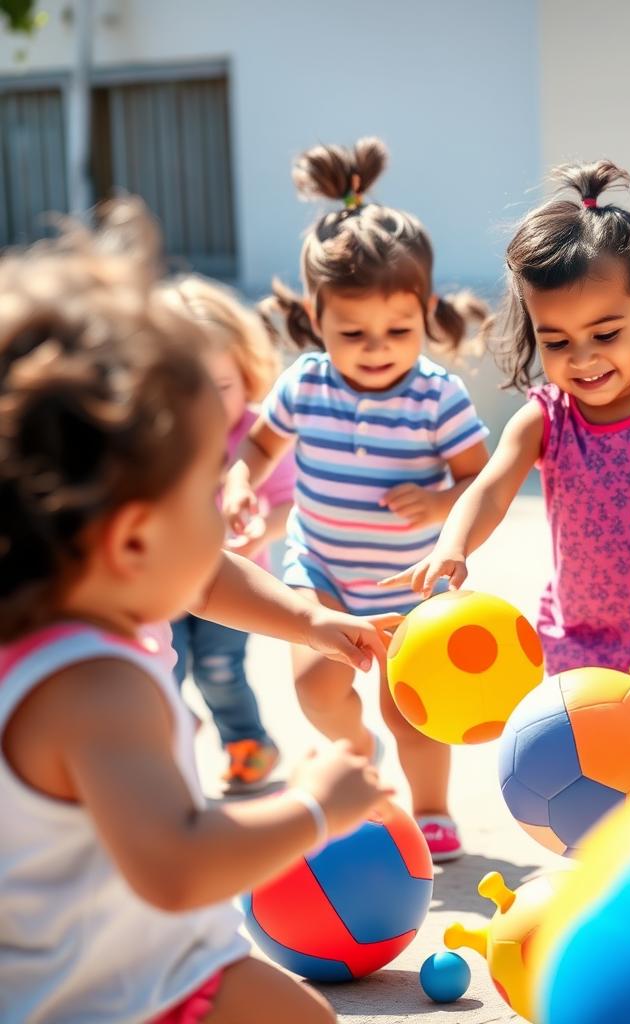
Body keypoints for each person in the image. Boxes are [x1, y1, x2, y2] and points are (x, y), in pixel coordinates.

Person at [0, 201, 395, 1024]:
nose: (222, 517)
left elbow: (206, 578)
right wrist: (314, 806)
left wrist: (308, 621)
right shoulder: (97, 691)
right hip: (135, 992)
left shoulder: (62, 609)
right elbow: (177, 866)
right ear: (133, 539)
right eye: (204, 494)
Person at [384, 161, 630, 764]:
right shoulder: (544, 418)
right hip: (582, 650)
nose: (584, 358)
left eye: (605, 333)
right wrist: (453, 546)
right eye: (557, 341)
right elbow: (489, 490)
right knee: (597, 787)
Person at [224, 138, 490, 860]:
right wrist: (241, 481)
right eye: (353, 332)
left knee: (414, 711)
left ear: (425, 312)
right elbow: (258, 447)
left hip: (411, 584)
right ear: (317, 318)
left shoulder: (437, 397)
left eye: (399, 330)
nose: (377, 347)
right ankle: (357, 757)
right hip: (323, 571)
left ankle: (431, 809)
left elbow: (480, 479)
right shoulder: (306, 383)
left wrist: (439, 506)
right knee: (316, 686)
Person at [164, 276, 296, 792]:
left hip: (232, 581)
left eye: (220, 388)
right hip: (163, 585)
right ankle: (171, 737)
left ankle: (248, 743)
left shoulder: (257, 434)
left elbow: (287, 501)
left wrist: (262, 531)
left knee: (219, 670)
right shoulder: (155, 440)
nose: (205, 405)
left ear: (246, 374)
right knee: (162, 670)